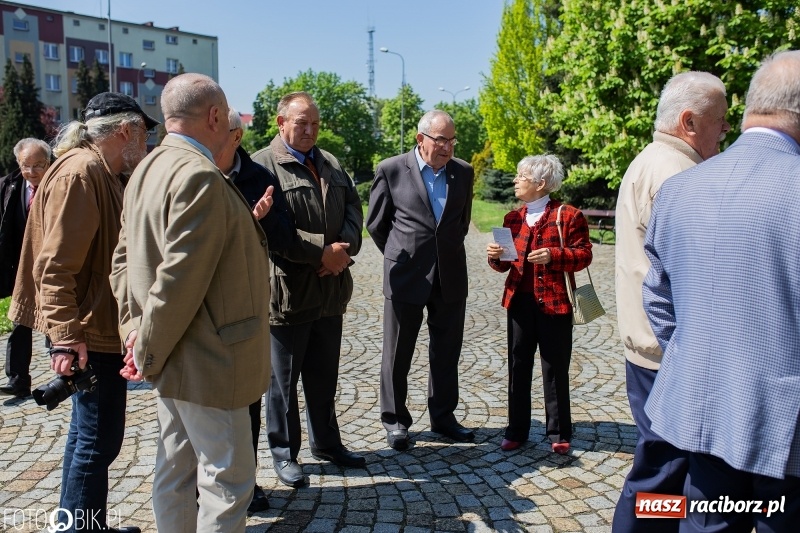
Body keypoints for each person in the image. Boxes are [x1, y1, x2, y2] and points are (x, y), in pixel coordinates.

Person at [643, 50, 800, 532]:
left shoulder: (680, 189)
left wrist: (700, 367)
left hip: (703, 412)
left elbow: (659, 303)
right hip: (788, 433)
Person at [110, 73, 272, 532]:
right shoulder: (199, 175)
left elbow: (123, 260)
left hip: (169, 352)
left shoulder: (146, 166)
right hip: (207, 359)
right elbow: (178, 280)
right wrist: (145, 347)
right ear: (216, 116)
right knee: (227, 481)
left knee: (175, 471)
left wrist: (134, 331)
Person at [9, 93, 156, 533]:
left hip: (94, 327)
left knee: (86, 435)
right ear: (126, 131)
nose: (147, 145)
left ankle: (77, 524)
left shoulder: (101, 171)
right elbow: (55, 266)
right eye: (145, 135)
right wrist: (66, 336)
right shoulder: (83, 171)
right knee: (98, 440)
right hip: (90, 332)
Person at [611, 72, 730, 532]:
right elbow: (696, 275)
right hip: (668, 353)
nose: (726, 130)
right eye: (720, 121)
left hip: (651, 346)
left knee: (664, 468)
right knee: (662, 471)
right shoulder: (676, 173)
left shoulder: (656, 161)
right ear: (689, 121)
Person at [251, 92, 364, 488]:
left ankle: (327, 443)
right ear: (281, 122)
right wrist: (322, 253)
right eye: (302, 123)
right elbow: (273, 229)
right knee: (282, 383)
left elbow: (353, 209)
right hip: (289, 292)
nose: (310, 130)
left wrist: (342, 251)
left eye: (315, 123)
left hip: (331, 290)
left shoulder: (329, 161)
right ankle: (285, 453)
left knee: (323, 375)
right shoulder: (263, 165)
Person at [366, 109, 475, 451]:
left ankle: (443, 417)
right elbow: (376, 224)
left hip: (450, 275)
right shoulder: (392, 169)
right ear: (421, 138)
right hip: (406, 275)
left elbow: (460, 223)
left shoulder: (463, 173)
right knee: (398, 353)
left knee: (446, 352)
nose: (448, 147)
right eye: (441, 140)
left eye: (452, 141)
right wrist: (401, 253)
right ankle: (395, 420)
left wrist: (442, 253)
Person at [215, 106, 296, 513]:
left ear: (235, 136)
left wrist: (258, 221)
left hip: (247, 304)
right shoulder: (197, 174)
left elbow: (283, 235)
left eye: (218, 130)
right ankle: (204, 486)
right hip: (204, 308)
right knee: (208, 405)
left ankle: (246, 483)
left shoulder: (258, 178)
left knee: (248, 399)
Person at [486, 155, 592, 455]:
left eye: (522, 175)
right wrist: (495, 255)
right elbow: (503, 266)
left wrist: (553, 256)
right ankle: (516, 430)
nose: (516, 180)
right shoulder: (512, 218)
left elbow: (584, 255)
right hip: (518, 304)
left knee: (555, 369)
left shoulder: (569, 216)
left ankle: (559, 431)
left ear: (541, 183)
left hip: (556, 305)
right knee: (518, 367)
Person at [0, 138, 51, 398]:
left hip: (51, 263)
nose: (31, 172)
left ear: (49, 162)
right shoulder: (8, 186)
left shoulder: (58, 184)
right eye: (25, 165)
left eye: (38, 165)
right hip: (20, 265)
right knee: (21, 319)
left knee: (55, 315)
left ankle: (66, 374)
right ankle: (18, 380)